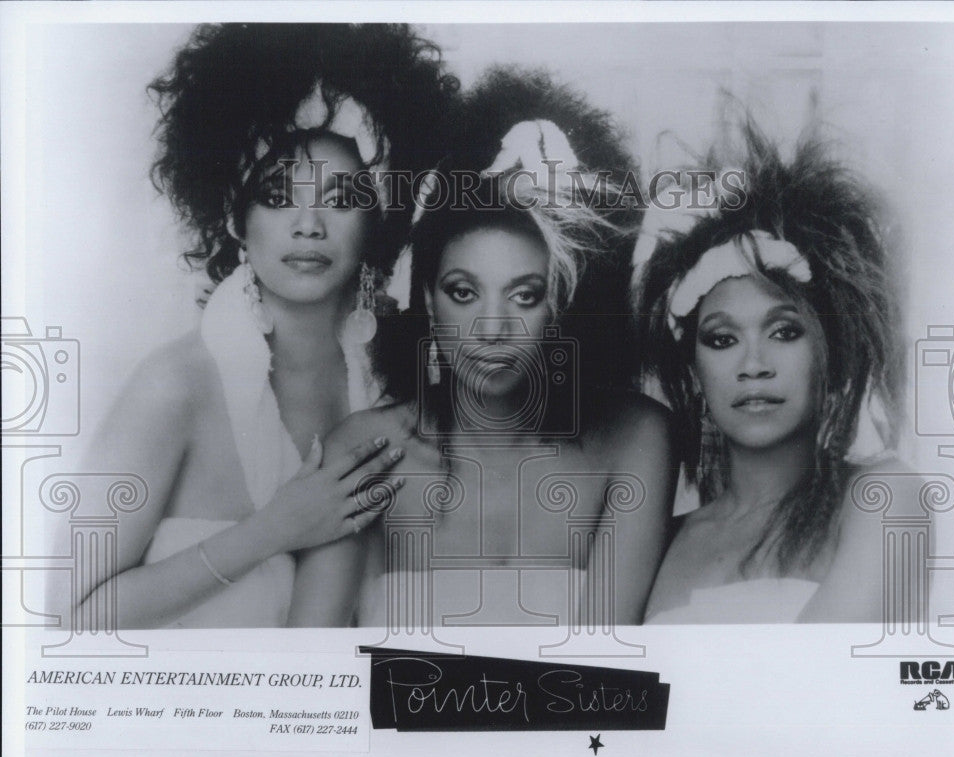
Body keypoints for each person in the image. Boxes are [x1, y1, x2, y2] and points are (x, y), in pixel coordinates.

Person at [73, 23, 457, 628]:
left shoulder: (404, 376)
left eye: (341, 198)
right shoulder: (174, 386)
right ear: (232, 215)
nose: (309, 225)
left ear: (379, 219)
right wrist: (272, 530)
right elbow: (64, 623)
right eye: (278, 196)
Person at [302, 68, 677, 629]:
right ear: (425, 298)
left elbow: (607, 666)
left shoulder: (636, 438)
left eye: (525, 294)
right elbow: (312, 664)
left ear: (562, 305)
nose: (492, 329)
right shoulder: (365, 451)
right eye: (463, 292)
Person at [633, 121, 908, 623]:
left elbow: (820, 684)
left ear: (832, 352)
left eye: (784, 332)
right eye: (722, 339)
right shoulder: (660, 540)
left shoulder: (883, 497)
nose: (753, 365)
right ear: (693, 371)